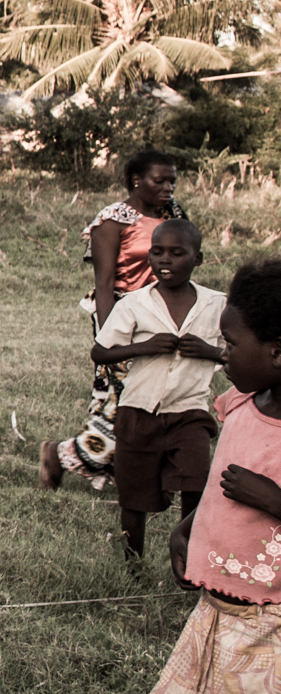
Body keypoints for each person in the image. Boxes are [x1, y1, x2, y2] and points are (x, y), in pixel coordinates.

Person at [149, 258, 281, 694]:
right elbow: (211, 496)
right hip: (215, 617)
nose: (222, 349)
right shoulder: (236, 407)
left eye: (232, 341)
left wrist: (274, 499)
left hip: (275, 630)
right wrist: (185, 529)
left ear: (278, 351)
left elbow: (254, 492)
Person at [42, 149, 188, 491]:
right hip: (122, 313)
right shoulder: (112, 220)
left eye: (172, 181)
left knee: (157, 394)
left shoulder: (174, 214)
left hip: (161, 313)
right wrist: (111, 336)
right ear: (137, 180)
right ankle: (63, 455)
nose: (168, 188)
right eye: (160, 180)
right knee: (120, 396)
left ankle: (129, 467)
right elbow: (104, 284)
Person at [91, 219, 224, 561]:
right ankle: (133, 563)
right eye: (158, 252)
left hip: (190, 412)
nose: (165, 260)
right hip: (138, 412)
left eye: (177, 253)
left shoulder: (217, 305)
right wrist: (144, 346)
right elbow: (101, 351)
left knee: (196, 483)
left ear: (198, 259)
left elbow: (237, 353)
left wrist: (209, 352)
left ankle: (189, 556)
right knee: (134, 496)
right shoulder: (134, 304)